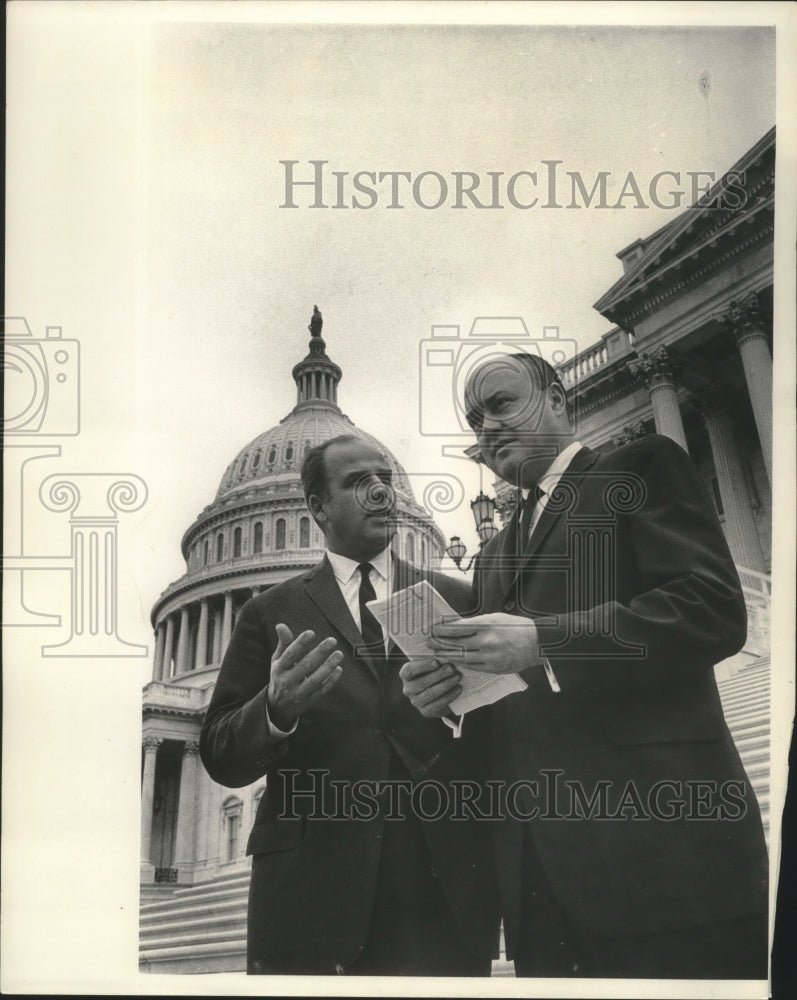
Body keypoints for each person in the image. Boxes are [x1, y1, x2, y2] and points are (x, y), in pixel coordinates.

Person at [401, 352, 769, 979]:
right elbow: (510, 700)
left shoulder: (641, 467)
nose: (485, 428)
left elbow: (711, 609)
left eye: (501, 405)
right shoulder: (490, 555)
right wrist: (448, 698)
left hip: (664, 861)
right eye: (474, 418)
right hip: (541, 886)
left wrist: (545, 641)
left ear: (558, 399)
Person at [199, 434, 499, 976]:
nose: (381, 491)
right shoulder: (269, 612)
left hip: (438, 890)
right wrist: (275, 709)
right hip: (311, 894)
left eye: (384, 478)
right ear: (317, 507)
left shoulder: (458, 598)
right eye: (360, 483)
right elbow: (220, 752)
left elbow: (499, 736)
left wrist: (458, 710)